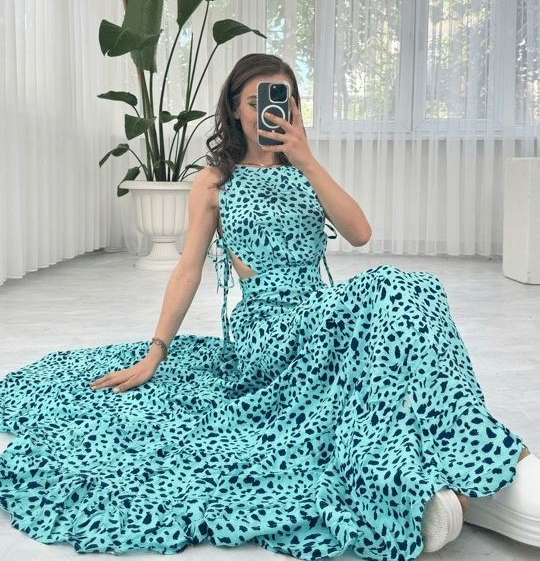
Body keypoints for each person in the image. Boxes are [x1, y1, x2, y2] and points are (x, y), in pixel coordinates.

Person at [0, 52, 537, 560]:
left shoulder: (306, 170)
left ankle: (437, 463)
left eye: (281, 100)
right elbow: (187, 268)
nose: (268, 112)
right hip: (266, 330)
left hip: (320, 314)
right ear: (235, 108)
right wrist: (155, 352)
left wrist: (306, 158)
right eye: (256, 101)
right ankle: (485, 454)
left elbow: (360, 233)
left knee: (415, 294)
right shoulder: (215, 181)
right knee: (394, 287)